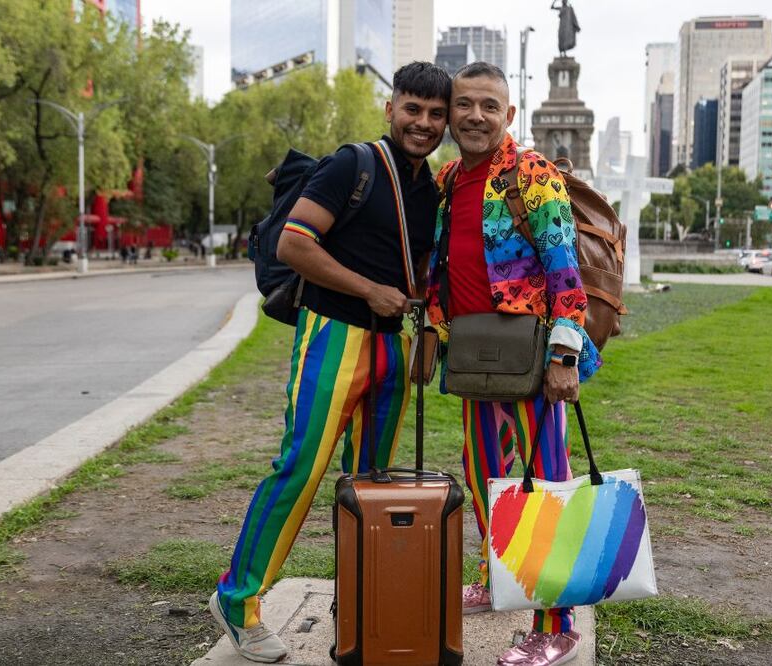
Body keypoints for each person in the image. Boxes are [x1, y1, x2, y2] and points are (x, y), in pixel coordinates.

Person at [209, 61, 451, 663]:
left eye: (435, 114)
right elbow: (294, 242)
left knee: (370, 483)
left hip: (393, 345)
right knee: (300, 469)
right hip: (333, 336)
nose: (423, 123)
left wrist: (430, 334)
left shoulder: (431, 186)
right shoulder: (354, 164)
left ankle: (362, 599)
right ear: (390, 108)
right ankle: (238, 601)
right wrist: (368, 290)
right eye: (412, 109)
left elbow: (423, 268)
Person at [426, 62, 600, 666]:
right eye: (465, 104)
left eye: (489, 106)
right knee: (484, 481)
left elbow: (565, 275)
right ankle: (501, 576)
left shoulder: (531, 174)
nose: (476, 116)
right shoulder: (448, 179)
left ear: (509, 115)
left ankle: (555, 626)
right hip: (474, 361)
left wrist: (563, 356)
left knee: (543, 490)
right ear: (451, 114)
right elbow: (442, 267)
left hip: (531, 364)